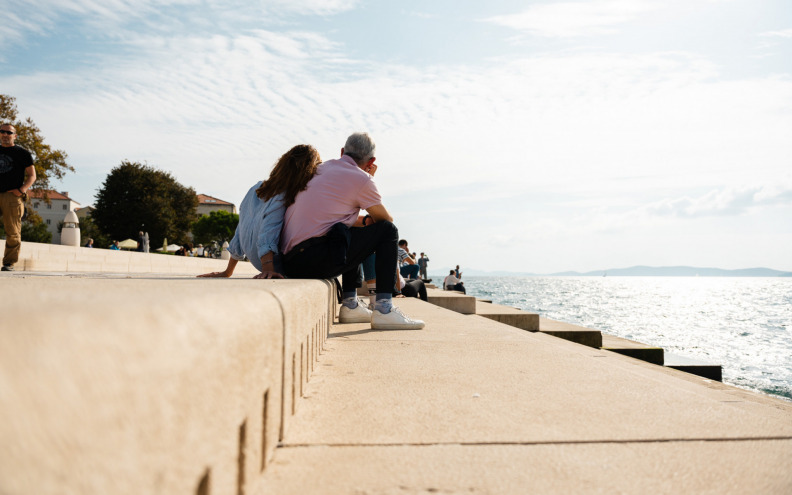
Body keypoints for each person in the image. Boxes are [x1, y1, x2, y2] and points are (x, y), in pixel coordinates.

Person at [280, 132, 424, 330]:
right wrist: (368, 178)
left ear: (342, 152)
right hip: (313, 260)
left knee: (344, 230)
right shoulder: (362, 179)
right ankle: (384, 308)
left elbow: (329, 217)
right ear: (371, 161)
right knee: (388, 231)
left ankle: (350, 305)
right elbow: (385, 220)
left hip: (290, 262)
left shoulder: (319, 169)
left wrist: (364, 219)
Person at [198, 144, 321, 279]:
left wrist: (228, 271)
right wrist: (268, 269)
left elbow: (241, 229)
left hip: (257, 261)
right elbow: (269, 230)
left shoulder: (255, 189)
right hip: (275, 264)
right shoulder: (282, 195)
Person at [0, 123, 36, 271]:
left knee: (13, 232)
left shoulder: (22, 153)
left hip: (12, 197)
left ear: (14, 136)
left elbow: (32, 175)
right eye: (2, 131)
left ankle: (9, 263)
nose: (5, 134)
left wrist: (22, 190)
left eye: (9, 132)